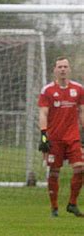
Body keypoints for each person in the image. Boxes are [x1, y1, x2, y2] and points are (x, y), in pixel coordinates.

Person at [38, 56, 84, 217]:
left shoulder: (79, 89)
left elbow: (82, 112)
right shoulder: (48, 90)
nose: (63, 69)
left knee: (80, 168)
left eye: (65, 66)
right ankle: (54, 208)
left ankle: (72, 203)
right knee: (54, 172)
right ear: (55, 70)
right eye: (60, 67)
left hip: (73, 138)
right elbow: (43, 113)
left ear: (69, 69)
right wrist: (44, 135)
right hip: (55, 138)